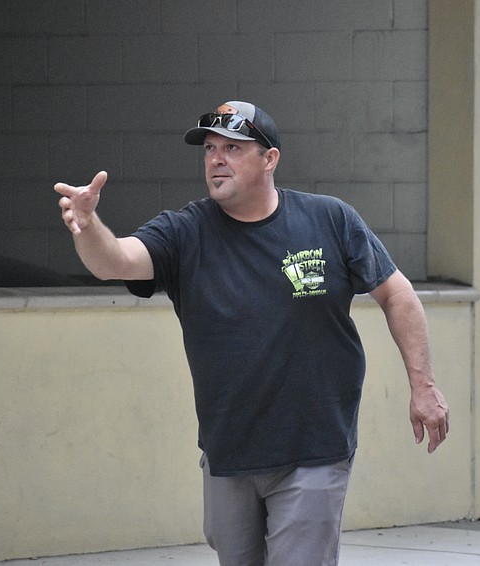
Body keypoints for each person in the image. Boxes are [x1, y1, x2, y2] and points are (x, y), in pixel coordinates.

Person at [55, 100, 449, 566]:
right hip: (228, 450)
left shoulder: (330, 220)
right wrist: (87, 227)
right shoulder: (185, 231)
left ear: (269, 159)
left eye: (233, 147)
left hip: (314, 447)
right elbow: (114, 260)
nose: (216, 158)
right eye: (209, 149)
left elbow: (398, 294)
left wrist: (422, 385)